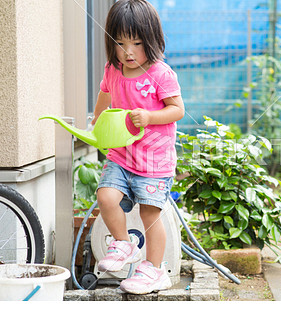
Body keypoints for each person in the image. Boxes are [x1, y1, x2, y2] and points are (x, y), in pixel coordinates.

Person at [91, 0, 184, 294]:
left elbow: (178, 109)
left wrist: (149, 117)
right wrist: (97, 126)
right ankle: (123, 245)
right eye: (120, 43)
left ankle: (154, 271)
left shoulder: (160, 73)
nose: (128, 51)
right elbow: (104, 101)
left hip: (153, 161)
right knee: (106, 197)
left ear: (152, 40)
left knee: (149, 215)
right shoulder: (113, 70)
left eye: (137, 43)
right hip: (121, 155)